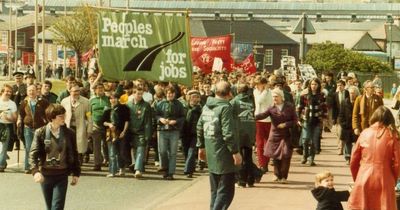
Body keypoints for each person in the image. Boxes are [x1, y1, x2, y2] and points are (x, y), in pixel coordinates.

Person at [197, 80, 242, 210]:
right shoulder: (225, 107)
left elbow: (200, 127)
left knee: (215, 191)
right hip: (224, 154)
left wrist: (201, 147)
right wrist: (235, 152)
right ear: (229, 93)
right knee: (226, 192)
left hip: (211, 152)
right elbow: (228, 133)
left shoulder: (206, 106)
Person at [29, 104, 80, 210]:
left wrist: (76, 173)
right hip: (46, 175)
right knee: (49, 207)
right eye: (61, 116)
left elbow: (74, 153)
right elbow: (33, 153)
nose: (64, 118)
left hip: (61, 176)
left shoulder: (69, 133)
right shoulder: (40, 132)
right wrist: (35, 171)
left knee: (57, 207)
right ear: (52, 117)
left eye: (64, 115)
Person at [348, 106, 400, 210]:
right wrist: (393, 179)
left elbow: (353, 160)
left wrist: (357, 178)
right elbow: (398, 162)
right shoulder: (392, 135)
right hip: (385, 177)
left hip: (364, 176)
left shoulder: (364, 133)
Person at [255, 88, 297, 183]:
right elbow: (262, 115)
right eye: (273, 96)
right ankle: (277, 175)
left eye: (276, 96)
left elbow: (295, 120)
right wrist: (252, 116)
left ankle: (284, 177)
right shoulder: (271, 108)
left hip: (286, 135)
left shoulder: (289, 106)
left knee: (286, 155)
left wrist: (285, 124)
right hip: (275, 135)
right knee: (275, 156)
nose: (274, 98)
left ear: (281, 97)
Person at [18, 84, 50, 173]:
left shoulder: (43, 102)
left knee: (40, 147)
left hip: (40, 128)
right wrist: (20, 121)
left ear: (37, 91)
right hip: (28, 128)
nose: (31, 92)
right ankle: (28, 167)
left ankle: (41, 165)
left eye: (33, 90)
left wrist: (46, 123)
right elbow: (21, 114)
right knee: (28, 148)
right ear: (27, 92)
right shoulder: (24, 102)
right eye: (29, 91)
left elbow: (48, 113)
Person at [155, 86, 185, 180]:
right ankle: (165, 168)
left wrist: (176, 121)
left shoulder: (179, 104)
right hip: (162, 130)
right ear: (165, 94)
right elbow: (155, 115)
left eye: (172, 93)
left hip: (174, 130)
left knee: (173, 153)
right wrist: (160, 119)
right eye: (168, 93)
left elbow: (183, 117)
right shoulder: (160, 104)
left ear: (174, 94)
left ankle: (171, 173)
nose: (170, 95)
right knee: (162, 151)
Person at [298, 78, 327, 166]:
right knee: (305, 139)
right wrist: (299, 119)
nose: (313, 86)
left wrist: (324, 119)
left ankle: (311, 159)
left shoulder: (322, 96)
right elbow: (299, 108)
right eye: (312, 84)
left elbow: (325, 108)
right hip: (306, 120)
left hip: (317, 121)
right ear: (309, 85)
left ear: (318, 86)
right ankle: (304, 155)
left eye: (315, 84)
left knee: (314, 141)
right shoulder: (304, 96)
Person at [61, 84, 92, 165]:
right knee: (68, 146)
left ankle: (78, 163)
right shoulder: (64, 101)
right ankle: (69, 164)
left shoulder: (86, 102)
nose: (76, 93)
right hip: (68, 127)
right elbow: (61, 116)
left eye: (78, 91)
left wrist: (89, 130)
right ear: (70, 92)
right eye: (74, 91)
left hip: (80, 127)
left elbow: (89, 117)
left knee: (79, 147)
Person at [127, 87, 152, 178]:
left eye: (141, 94)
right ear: (133, 94)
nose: (140, 96)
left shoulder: (146, 105)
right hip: (131, 132)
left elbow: (148, 121)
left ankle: (138, 170)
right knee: (134, 150)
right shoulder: (128, 105)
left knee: (141, 150)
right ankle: (136, 166)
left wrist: (148, 134)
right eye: (138, 94)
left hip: (142, 132)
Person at [253, 77, 272, 173]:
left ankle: (266, 163)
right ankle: (261, 164)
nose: (257, 86)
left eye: (258, 84)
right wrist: (264, 90)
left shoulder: (270, 92)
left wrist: (266, 90)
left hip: (269, 120)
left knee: (268, 144)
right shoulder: (256, 91)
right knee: (259, 144)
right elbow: (259, 101)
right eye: (256, 84)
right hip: (259, 119)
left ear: (264, 84)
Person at [89, 83, 111, 171]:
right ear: (95, 90)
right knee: (96, 145)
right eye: (98, 88)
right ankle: (97, 163)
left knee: (107, 144)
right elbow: (88, 112)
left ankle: (108, 160)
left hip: (107, 126)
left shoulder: (108, 99)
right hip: (95, 125)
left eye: (101, 88)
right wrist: (90, 121)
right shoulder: (92, 100)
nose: (100, 90)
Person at [181, 90, 202, 178]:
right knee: (186, 151)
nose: (195, 99)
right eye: (193, 97)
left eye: (197, 97)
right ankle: (191, 167)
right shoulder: (184, 107)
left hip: (195, 133)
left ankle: (188, 170)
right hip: (185, 132)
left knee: (192, 151)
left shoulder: (200, 109)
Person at [0, 84, 18, 172]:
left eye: (10, 92)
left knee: (4, 146)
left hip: (7, 125)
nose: (8, 93)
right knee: (1, 148)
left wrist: (8, 118)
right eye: (6, 91)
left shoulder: (12, 103)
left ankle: (1, 165)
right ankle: (3, 157)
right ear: (2, 91)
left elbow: (15, 118)